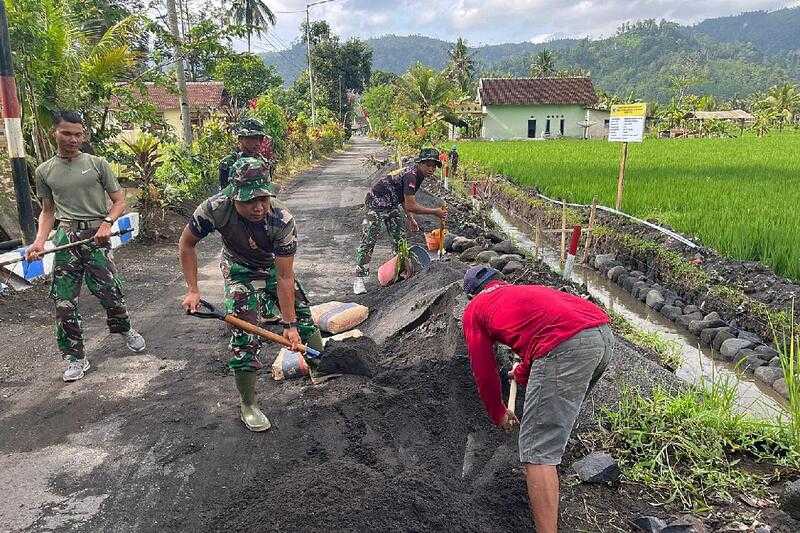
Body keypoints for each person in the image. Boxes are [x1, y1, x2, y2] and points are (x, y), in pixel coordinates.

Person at [461, 266, 614, 533]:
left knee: (537, 453)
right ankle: (550, 477)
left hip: (566, 346)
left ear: (471, 295)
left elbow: (483, 369)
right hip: (602, 337)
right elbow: (547, 333)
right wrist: (520, 373)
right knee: (553, 431)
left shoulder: (476, 309)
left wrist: (497, 412)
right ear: (499, 281)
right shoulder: (521, 293)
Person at [179, 157, 325, 432]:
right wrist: (193, 290)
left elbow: (284, 276)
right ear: (233, 195)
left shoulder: (281, 220)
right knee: (245, 331)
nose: (258, 207)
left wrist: (289, 324)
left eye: (263, 198)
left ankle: (321, 369)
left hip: (271, 266)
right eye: (249, 201)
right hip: (238, 269)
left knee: (303, 316)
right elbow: (187, 244)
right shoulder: (215, 209)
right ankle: (248, 403)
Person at [26, 111, 146, 383]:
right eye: (67, 133)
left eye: (78, 134)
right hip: (66, 239)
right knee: (64, 301)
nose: (73, 139)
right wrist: (38, 242)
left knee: (110, 293)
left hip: (97, 237)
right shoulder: (44, 171)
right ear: (54, 133)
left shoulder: (96, 164)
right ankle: (74, 357)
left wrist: (106, 224)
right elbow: (47, 211)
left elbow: (119, 201)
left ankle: (125, 328)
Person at [353, 147, 447, 295]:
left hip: (391, 204)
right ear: (420, 163)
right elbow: (411, 204)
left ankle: (400, 271)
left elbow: (404, 198)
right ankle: (359, 279)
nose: (431, 169)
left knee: (400, 239)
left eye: (434, 166)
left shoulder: (418, 176)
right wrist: (435, 211)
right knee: (369, 240)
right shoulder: (411, 175)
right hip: (375, 204)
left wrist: (410, 218)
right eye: (428, 165)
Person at [219, 118, 274, 190]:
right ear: (240, 138)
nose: (257, 143)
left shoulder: (263, 162)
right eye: (253, 138)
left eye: (260, 139)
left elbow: (267, 189)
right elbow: (225, 192)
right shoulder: (228, 163)